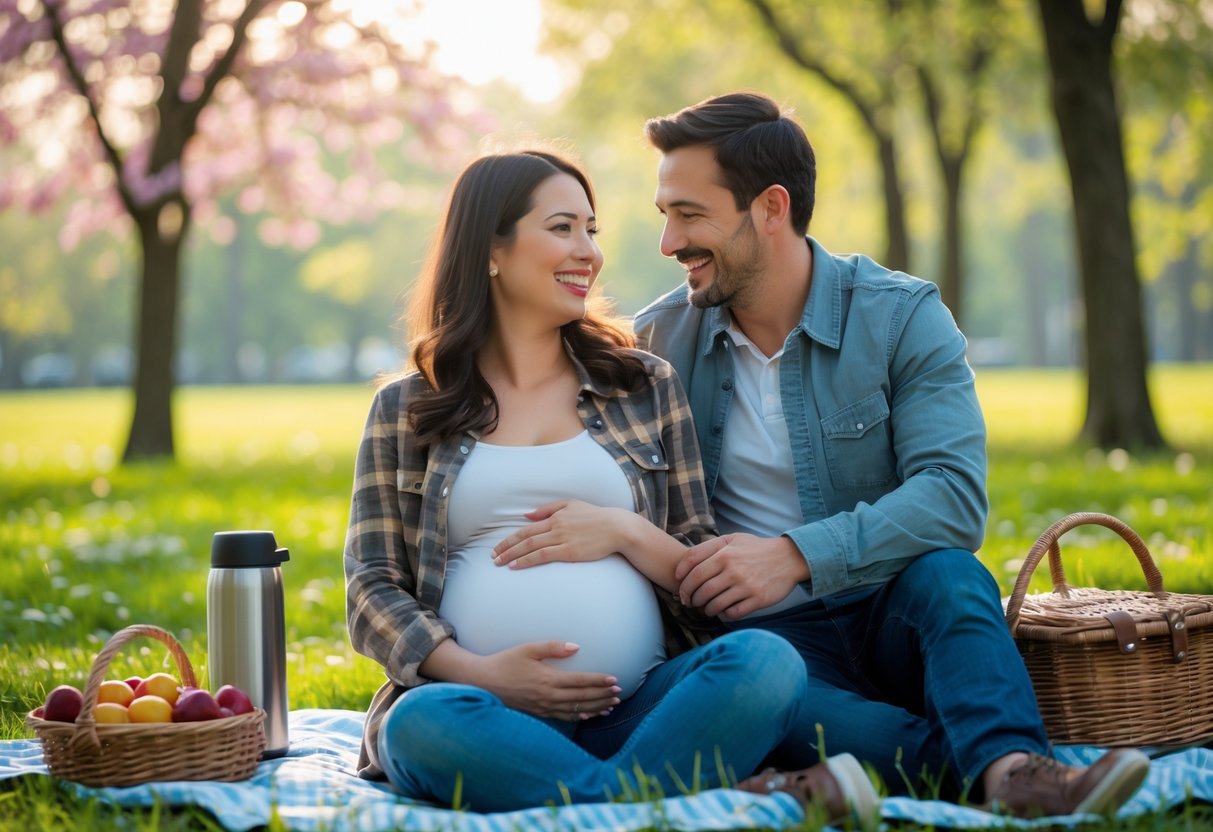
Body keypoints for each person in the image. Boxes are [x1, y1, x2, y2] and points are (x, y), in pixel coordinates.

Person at [621, 92, 1150, 818]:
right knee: (767, 689)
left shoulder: (900, 316)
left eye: (689, 214)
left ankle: (1003, 768)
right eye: (665, 214)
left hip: (898, 617)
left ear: (770, 208)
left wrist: (792, 555)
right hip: (769, 649)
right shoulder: (657, 345)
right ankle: (1004, 770)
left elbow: (952, 499)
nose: (668, 241)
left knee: (951, 574)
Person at [342, 149, 878, 824]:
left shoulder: (642, 386)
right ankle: (699, 799)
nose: (588, 252)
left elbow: (699, 569)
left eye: (590, 230)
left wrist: (624, 531)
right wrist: (483, 674)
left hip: (645, 711)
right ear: (490, 251)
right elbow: (370, 586)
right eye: (563, 227)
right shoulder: (408, 408)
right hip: (481, 714)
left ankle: (597, 802)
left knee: (765, 661)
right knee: (418, 724)